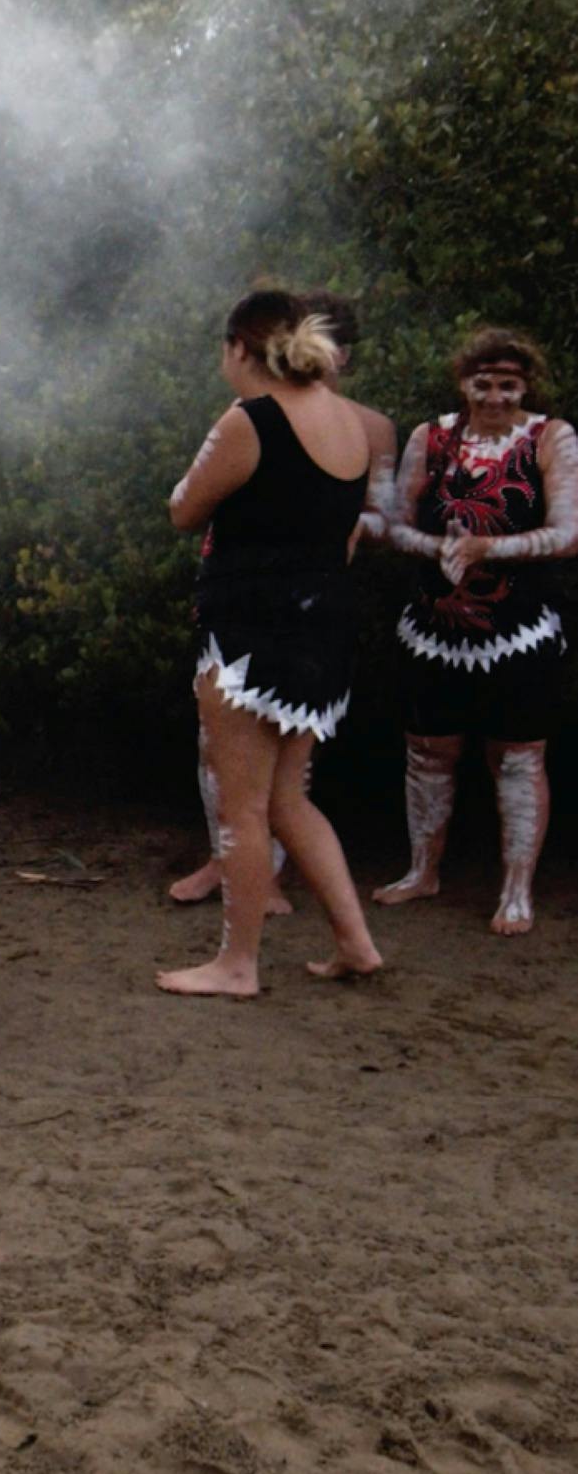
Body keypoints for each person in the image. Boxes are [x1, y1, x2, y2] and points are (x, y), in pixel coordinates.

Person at [157, 289, 383, 997]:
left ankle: (237, 964)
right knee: (287, 799)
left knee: (242, 807)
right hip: (323, 626)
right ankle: (356, 943)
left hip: (250, 632)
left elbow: (182, 508)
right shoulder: (351, 419)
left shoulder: (249, 420)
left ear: (238, 347)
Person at [373, 328, 575, 935]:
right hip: (433, 630)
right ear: (463, 383)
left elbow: (569, 532)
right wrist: (437, 547)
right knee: (427, 751)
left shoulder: (551, 437)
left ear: (526, 386)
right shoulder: (430, 437)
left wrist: (491, 548)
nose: (493, 396)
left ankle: (516, 890)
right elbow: (392, 524)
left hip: (518, 634)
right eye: (481, 383)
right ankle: (422, 871)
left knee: (518, 757)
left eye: (507, 384)